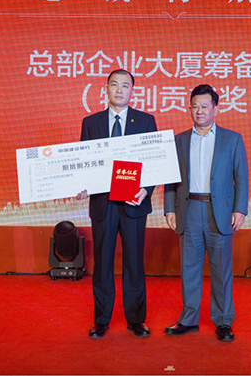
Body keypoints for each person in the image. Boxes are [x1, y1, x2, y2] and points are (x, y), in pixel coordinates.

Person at [163, 84, 249, 342]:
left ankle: (223, 321)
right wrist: (169, 208)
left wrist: (240, 209)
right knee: (189, 268)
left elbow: (241, 178)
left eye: (204, 106)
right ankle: (188, 319)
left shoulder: (232, 139)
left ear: (215, 109)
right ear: (189, 109)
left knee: (221, 270)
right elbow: (170, 179)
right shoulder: (179, 141)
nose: (199, 111)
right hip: (188, 210)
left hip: (219, 211)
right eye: (195, 106)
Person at [76, 69, 157, 338]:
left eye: (125, 85)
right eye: (114, 85)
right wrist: (80, 184)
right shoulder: (91, 122)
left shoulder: (145, 121)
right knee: (103, 262)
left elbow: (155, 162)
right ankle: (101, 319)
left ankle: (136, 319)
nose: (119, 90)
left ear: (132, 91)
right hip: (103, 203)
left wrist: (146, 190)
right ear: (106, 89)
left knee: (134, 262)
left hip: (134, 202)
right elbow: (84, 161)